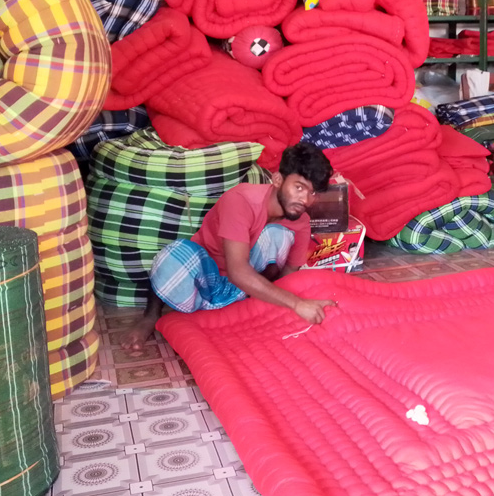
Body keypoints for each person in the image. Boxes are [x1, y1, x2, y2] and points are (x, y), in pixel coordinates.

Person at [121, 143, 338, 350]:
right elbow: (237, 271)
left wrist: (294, 307)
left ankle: (252, 310)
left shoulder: (300, 221)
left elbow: (290, 273)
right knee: (173, 256)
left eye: (313, 193)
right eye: (299, 187)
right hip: (205, 281)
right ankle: (150, 317)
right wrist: (297, 304)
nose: (305, 199)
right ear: (278, 179)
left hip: (243, 292)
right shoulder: (241, 200)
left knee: (279, 234)